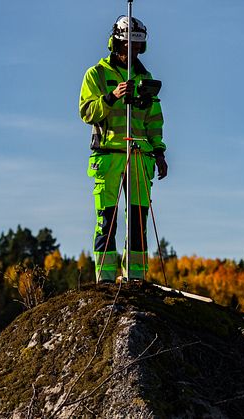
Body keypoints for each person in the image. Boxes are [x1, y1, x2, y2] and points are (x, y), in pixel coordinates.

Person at [79, 16, 168, 283]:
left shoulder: (145, 78)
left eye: (138, 46)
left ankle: (136, 278)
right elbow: (86, 112)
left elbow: (154, 120)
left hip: (140, 156)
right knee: (107, 218)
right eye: (129, 44)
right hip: (108, 155)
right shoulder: (96, 74)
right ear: (117, 42)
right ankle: (105, 279)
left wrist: (160, 152)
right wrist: (112, 96)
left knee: (138, 220)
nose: (133, 50)